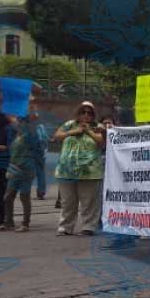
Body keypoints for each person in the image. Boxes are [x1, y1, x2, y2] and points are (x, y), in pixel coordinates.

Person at [54, 101, 106, 236]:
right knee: (67, 202)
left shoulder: (97, 126)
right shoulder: (69, 124)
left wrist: (87, 131)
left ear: (93, 115)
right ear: (78, 113)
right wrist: (74, 131)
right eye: (83, 112)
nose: (86, 115)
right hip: (66, 170)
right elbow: (57, 136)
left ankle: (88, 227)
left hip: (90, 171)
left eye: (89, 113)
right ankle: (65, 227)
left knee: (89, 202)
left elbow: (101, 143)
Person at [4, 115, 36, 231]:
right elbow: (12, 150)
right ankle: (8, 222)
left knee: (24, 196)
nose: (18, 123)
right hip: (14, 169)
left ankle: (25, 224)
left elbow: (37, 151)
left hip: (26, 169)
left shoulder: (30, 135)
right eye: (18, 121)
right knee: (8, 197)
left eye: (20, 121)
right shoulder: (17, 135)